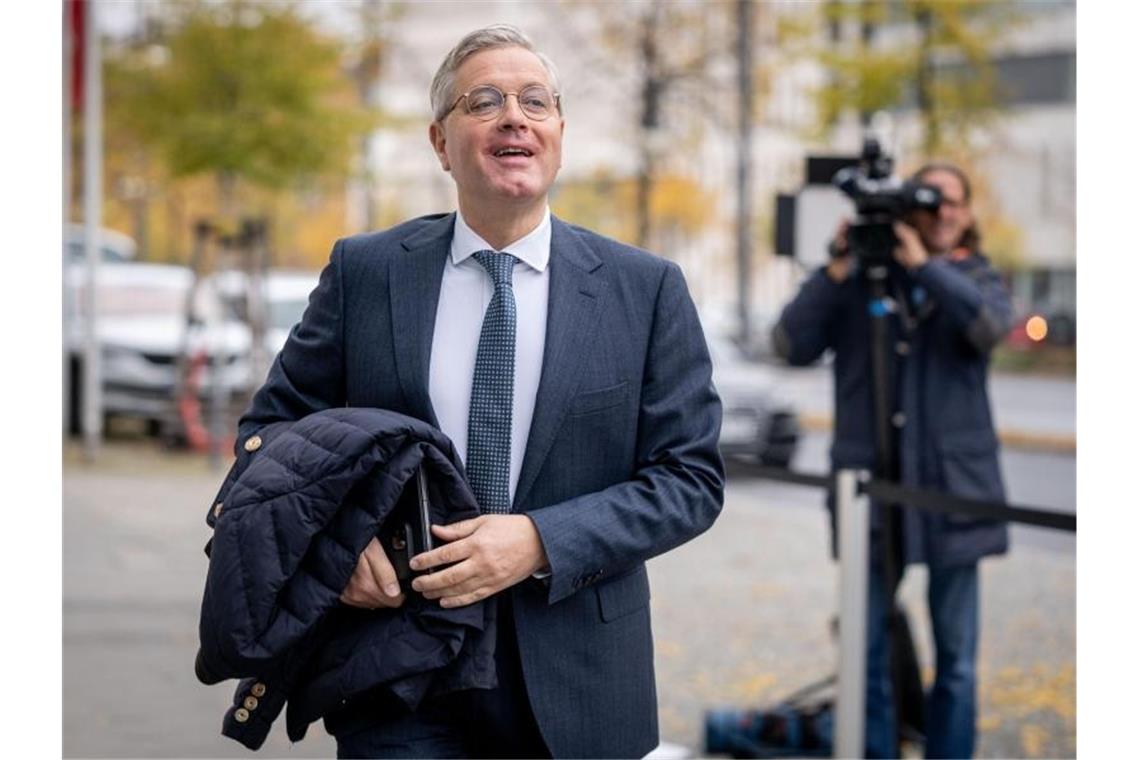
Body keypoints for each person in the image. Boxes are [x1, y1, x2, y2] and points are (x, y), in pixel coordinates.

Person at [234, 24, 724, 759]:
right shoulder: (367, 273)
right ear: (441, 142)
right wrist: (335, 542)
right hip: (396, 669)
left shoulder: (644, 289)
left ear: (558, 132)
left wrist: (537, 542)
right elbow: (270, 433)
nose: (514, 117)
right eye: (484, 101)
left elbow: (691, 479)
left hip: (579, 679)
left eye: (535, 101)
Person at [772, 163, 1013, 759]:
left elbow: (987, 330)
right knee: (865, 652)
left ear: (968, 213)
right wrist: (834, 270)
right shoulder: (860, 280)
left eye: (951, 202)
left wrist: (925, 267)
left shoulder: (977, 277)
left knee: (956, 659)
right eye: (928, 204)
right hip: (870, 499)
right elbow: (789, 344)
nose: (941, 213)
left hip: (952, 494)